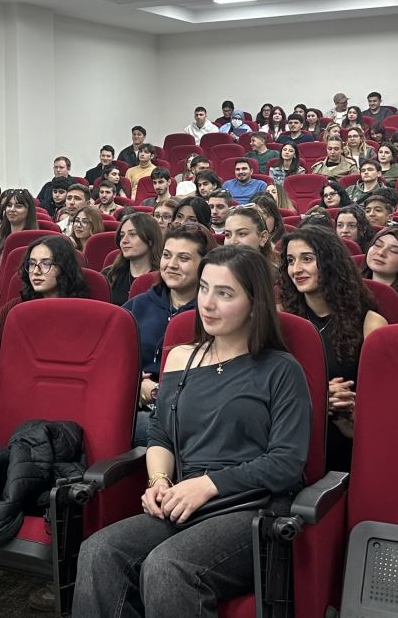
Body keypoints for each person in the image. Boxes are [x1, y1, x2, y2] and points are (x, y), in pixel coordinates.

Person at [74, 245, 309, 618]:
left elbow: (286, 463)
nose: (207, 303)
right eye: (204, 288)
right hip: (185, 500)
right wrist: (159, 482)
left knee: (169, 567)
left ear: (255, 302)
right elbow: (161, 436)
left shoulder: (281, 369)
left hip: (251, 506)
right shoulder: (183, 357)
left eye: (225, 293)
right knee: (100, 551)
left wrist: (207, 484)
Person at [278, 226, 386, 472]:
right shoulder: (280, 319)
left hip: (351, 434)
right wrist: (316, 397)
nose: (296, 269)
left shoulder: (371, 323)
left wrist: (345, 404)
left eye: (307, 259)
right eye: (290, 261)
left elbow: (382, 401)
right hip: (291, 433)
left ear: (329, 262)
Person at [123, 224, 212, 441]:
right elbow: (110, 363)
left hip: (190, 414)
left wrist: (155, 392)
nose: (171, 265)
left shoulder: (213, 313)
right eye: (166, 255)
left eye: (183, 258)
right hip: (132, 406)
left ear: (205, 265)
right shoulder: (136, 306)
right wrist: (135, 385)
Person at [104, 212, 164, 306]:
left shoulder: (163, 279)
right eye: (122, 235)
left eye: (132, 234)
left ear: (150, 239)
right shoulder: (109, 275)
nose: (124, 241)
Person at [222, 205, 278, 280]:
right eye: (228, 235)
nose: (232, 241)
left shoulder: (279, 280)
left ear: (263, 238)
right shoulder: (216, 273)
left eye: (242, 234)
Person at [0, 188, 38, 259]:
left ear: (29, 211)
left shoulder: (36, 241)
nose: (12, 209)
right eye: (9, 205)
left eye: (18, 206)